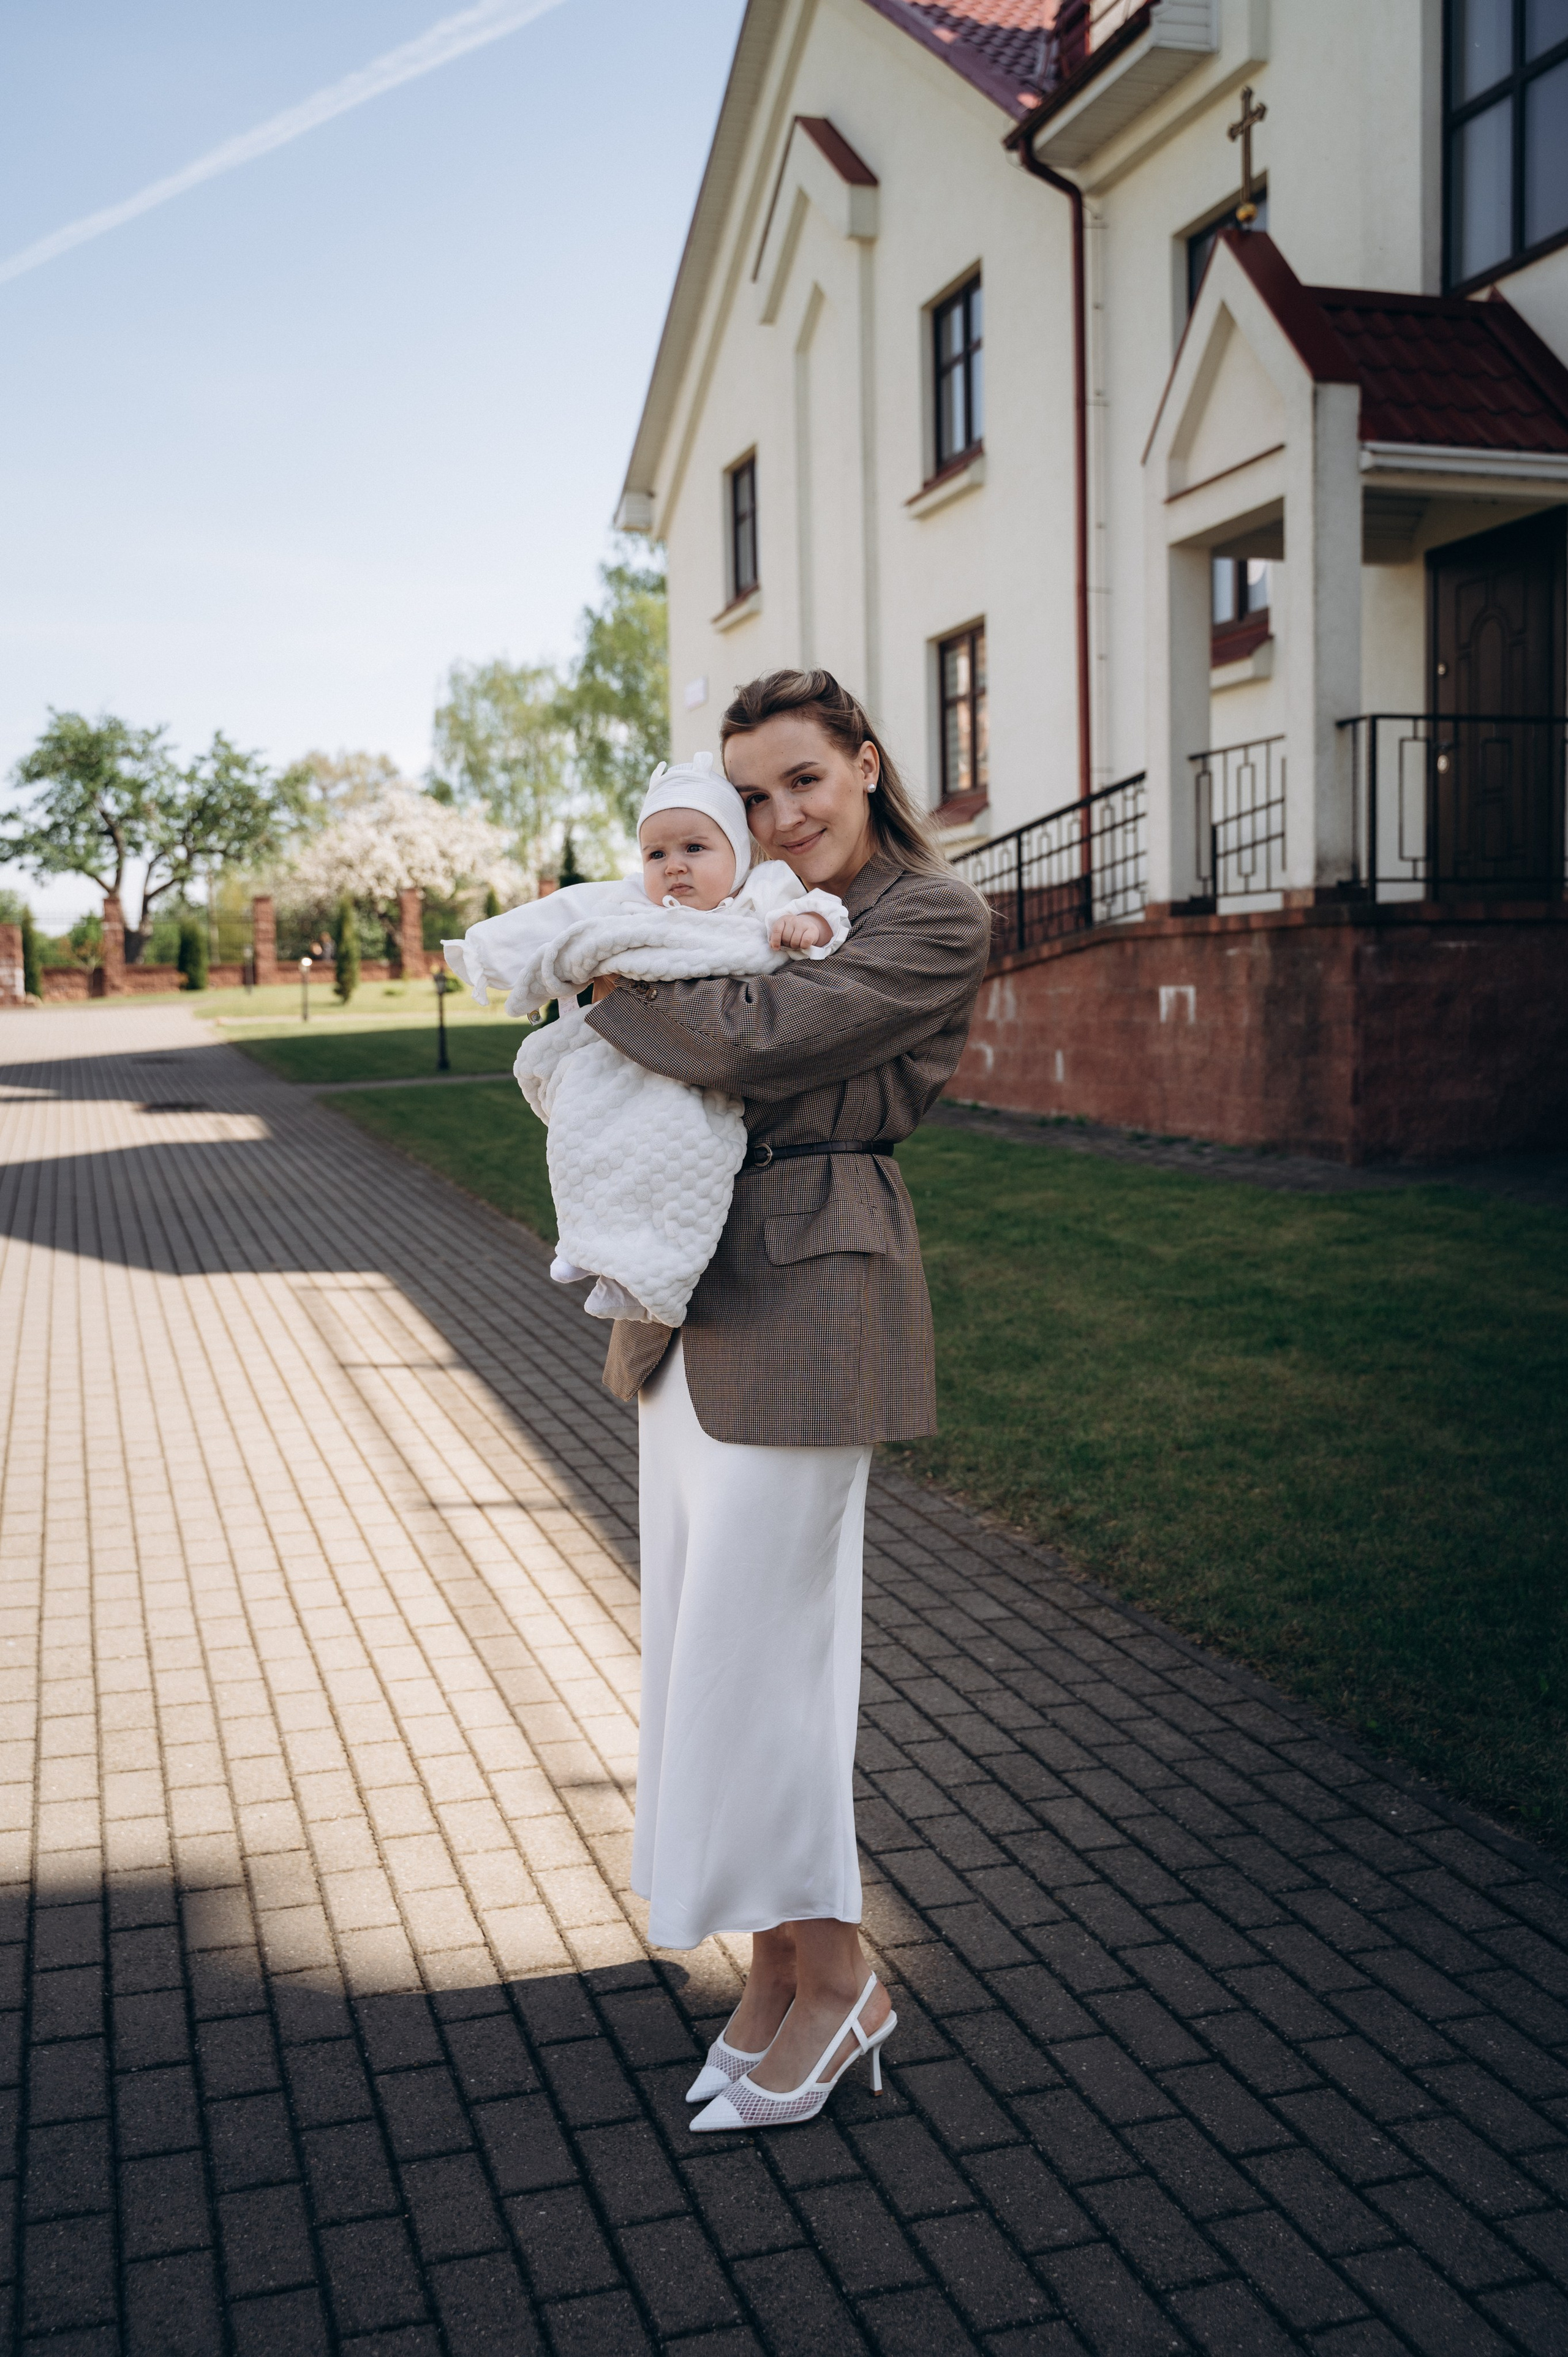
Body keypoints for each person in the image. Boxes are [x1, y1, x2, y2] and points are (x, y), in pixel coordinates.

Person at [586, 669, 992, 2132]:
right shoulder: (743, 905)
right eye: (749, 792)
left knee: (773, 1669)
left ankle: (842, 1984)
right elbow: (707, 1025)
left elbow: (749, 1039)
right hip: (686, 1297)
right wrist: (652, 982)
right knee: (705, 1654)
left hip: (813, 1293)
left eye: (801, 781)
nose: (775, 816)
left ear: (867, 766)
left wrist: (612, 976)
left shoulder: (929, 917)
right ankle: (772, 1972)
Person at [443, 756, 850, 1324]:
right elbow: (560, 915)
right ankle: (587, 1241)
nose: (674, 867)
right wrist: (484, 953)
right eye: (656, 854)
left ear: (737, 852)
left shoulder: (765, 887)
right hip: (622, 1055)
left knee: (684, 1151)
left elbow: (821, 907)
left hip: (695, 1062)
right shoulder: (631, 903)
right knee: (587, 1131)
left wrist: (813, 925)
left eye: (694, 849)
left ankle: (654, 1267)